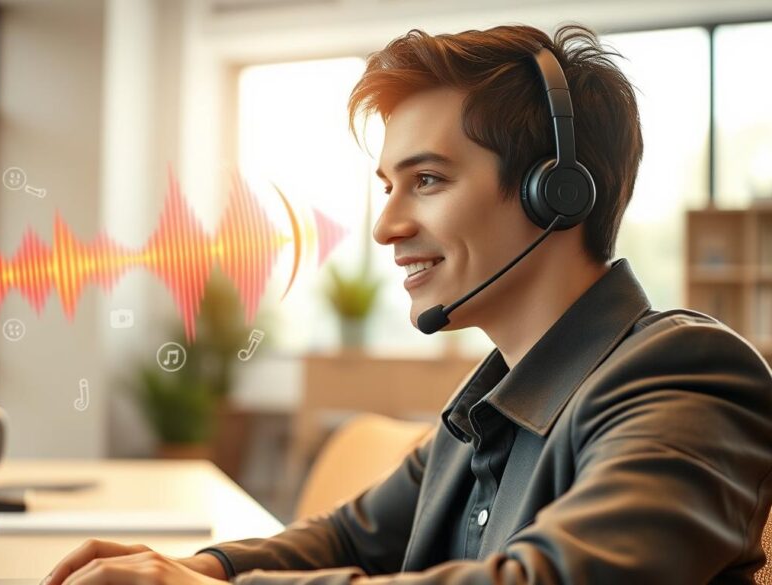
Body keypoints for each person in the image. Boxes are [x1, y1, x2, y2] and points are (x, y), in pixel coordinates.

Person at [41, 23, 772, 585]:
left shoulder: (685, 376)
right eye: (389, 187)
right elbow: (352, 538)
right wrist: (198, 567)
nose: (386, 227)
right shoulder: (486, 404)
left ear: (556, 193)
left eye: (426, 181)